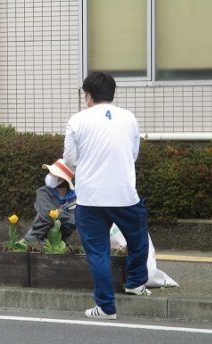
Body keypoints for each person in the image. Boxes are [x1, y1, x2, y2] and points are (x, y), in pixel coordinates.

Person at [63, 71, 150, 320]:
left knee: (99, 252)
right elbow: (133, 154)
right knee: (138, 240)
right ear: (112, 94)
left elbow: (70, 158)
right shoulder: (129, 118)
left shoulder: (77, 120)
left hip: (90, 198)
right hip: (125, 195)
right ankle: (135, 282)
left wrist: (88, 165)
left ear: (88, 95)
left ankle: (106, 307)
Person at [23, 159, 76, 245]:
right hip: (35, 240)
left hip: (61, 244)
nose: (49, 175)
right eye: (50, 173)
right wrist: (75, 220)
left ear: (63, 179)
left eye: (53, 174)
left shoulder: (75, 199)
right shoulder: (43, 192)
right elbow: (49, 213)